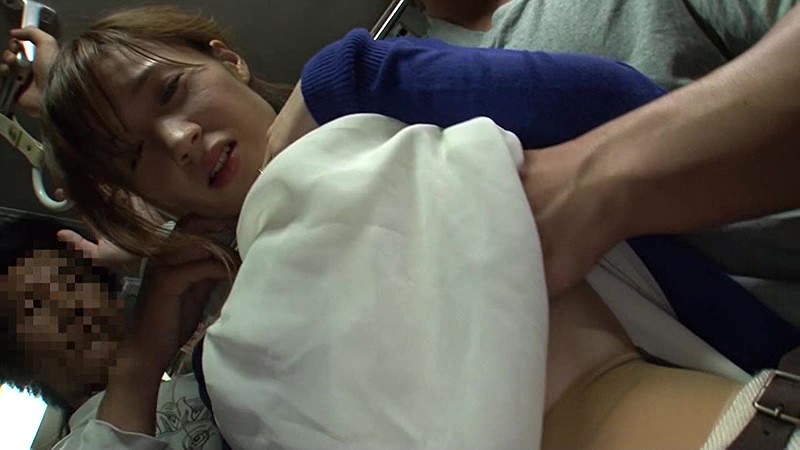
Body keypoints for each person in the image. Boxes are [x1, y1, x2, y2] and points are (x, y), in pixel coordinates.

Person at [24, 4, 796, 448]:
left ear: (227, 60)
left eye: (170, 92)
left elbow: (610, 108)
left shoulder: (370, 110)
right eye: (137, 157)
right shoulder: (228, 360)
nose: (179, 139)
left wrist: (350, 78)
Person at [0, 216, 225, 449]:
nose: (70, 306)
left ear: (116, 298)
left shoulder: (208, 374)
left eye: (74, 281)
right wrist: (140, 358)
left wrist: (155, 234)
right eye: (34, 306)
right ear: (17, 369)